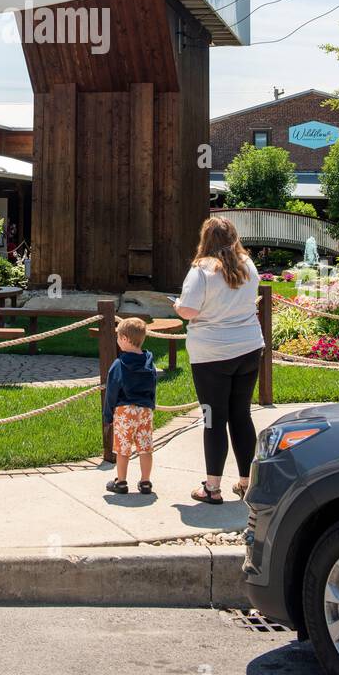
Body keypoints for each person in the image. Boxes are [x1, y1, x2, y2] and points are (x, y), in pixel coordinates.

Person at [174, 216, 265, 505]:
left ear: (206, 239)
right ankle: (246, 482)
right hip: (249, 347)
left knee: (213, 418)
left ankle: (212, 487)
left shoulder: (200, 270)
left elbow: (188, 310)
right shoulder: (247, 265)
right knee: (241, 415)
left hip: (212, 353)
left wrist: (176, 305)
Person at [103, 317, 157, 495]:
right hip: (145, 410)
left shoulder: (119, 364)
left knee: (123, 448)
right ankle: (145, 481)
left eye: (118, 337)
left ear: (125, 339)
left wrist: (108, 415)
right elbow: (153, 386)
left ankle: (121, 481)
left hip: (125, 410)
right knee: (145, 447)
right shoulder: (149, 362)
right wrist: (151, 405)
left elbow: (112, 391)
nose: (117, 341)